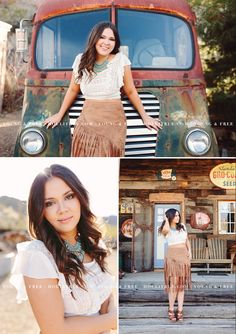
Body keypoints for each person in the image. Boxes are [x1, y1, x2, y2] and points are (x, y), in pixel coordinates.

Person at [10, 164, 117, 334]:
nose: (63, 209)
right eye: (50, 203)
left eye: (69, 196)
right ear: (40, 210)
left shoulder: (92, 243)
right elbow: (55, 329)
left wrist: (108, 318)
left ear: (80, 197)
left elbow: (104, 295)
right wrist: (113, 320)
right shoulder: (38, 255)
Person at [43, 21, 162, 157]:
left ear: (115, 43)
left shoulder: (121, 60)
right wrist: (59, 115)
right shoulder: (80, 60)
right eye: (102, 37)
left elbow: (130, 91)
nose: (106, 42)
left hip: (112, 122)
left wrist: (145, 116)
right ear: (94, 38)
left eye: (111, 39)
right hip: (87, 122)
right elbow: (72, 90)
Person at [158, 208, 192, 322]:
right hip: (172, 257)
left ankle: (180, 310)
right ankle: (171, 309)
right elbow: (166, 230)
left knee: (181, 285)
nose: (177, 217)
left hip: (183, 256)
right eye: (175, 216)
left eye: (178, 215)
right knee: (173, 285)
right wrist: (166, 219)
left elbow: (186, 240)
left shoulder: (182, 226)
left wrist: (189, 252)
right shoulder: (165, 228)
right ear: (170, 217)